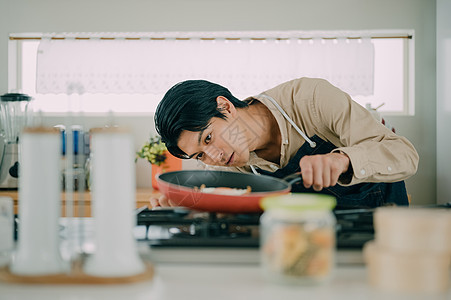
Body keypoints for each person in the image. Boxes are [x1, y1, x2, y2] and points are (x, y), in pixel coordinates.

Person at [151, 78, 419, 209]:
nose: (214, 157)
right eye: (200, 155)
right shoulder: (232, 168)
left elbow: (405, 154)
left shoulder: (311, 99)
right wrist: (187, 211)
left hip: (382, 229)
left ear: (226, 106)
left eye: (208, 138)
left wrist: (341, 160)